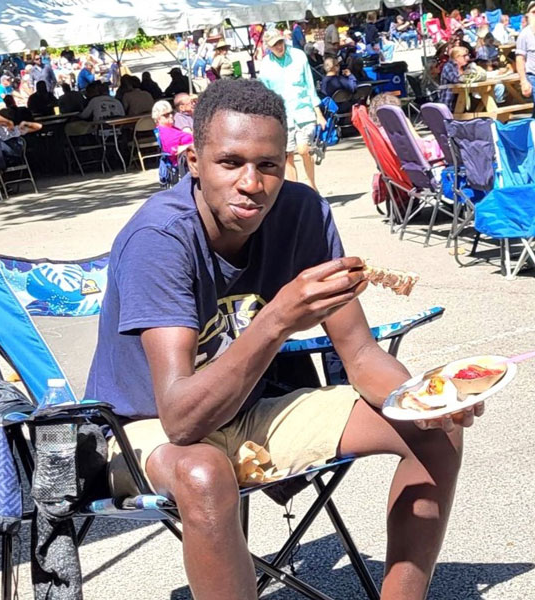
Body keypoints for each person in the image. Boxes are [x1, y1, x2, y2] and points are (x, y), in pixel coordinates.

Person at [86, 77, 480, 600]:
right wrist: (275, 321)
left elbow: (360, 352)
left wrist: (423, 402)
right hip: (143, 429)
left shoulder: (301, 213)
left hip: (248, 408)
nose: (252, 183)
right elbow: (181, 420)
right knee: (204, 472)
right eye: (230, 163)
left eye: (268, 165)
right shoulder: (159, 240)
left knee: (434, 431)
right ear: (194, 164)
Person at [260, 29, 326, 192]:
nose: (279, 47)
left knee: (304, 149)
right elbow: (266, 94)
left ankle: (312, 185)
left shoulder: (298, 56)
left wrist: (318, 113)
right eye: (275, 45)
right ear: (269, 47)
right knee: (288, 154)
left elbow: (310, 85)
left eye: (280, 42)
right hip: (282, 116)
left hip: (304, 111)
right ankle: (296, 190)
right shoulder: (265, 65)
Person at [151, 99, 193, 165]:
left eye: (171, 113)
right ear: (158, 118)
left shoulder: (171, 128)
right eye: (166, 115)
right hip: (185, 162)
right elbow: (175, 151)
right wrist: (194, 145)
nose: (171, 116)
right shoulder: (165, 133)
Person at [516, 0, 535, 118]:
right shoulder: (524, 34)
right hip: (533, 75)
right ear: (528, 16)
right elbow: (520, 59)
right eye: (534, 12)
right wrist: (523, 81)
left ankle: (530, 133)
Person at [439, 46, 471, 112]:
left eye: (468, 55)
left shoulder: (463, 67)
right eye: (464, 56)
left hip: (460, 100)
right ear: (457, 57)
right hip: (449, 104)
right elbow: (456, 80)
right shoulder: (448, 66)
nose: (467, 58)